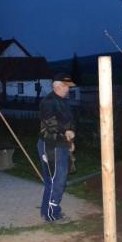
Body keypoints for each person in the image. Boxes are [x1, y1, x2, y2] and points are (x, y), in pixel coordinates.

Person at [37, 73, 76, 223]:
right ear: (57, 86)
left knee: (56, 179)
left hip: (61, 144)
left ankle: (47, 211)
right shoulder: (48, 102)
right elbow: (50, 123)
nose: (68, 89)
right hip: (50, 145)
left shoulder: (64, 101)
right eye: (67, 86)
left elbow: (69, 122)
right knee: (56, 180)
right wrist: (65, 132)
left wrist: (70, 141)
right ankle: (52, 214)